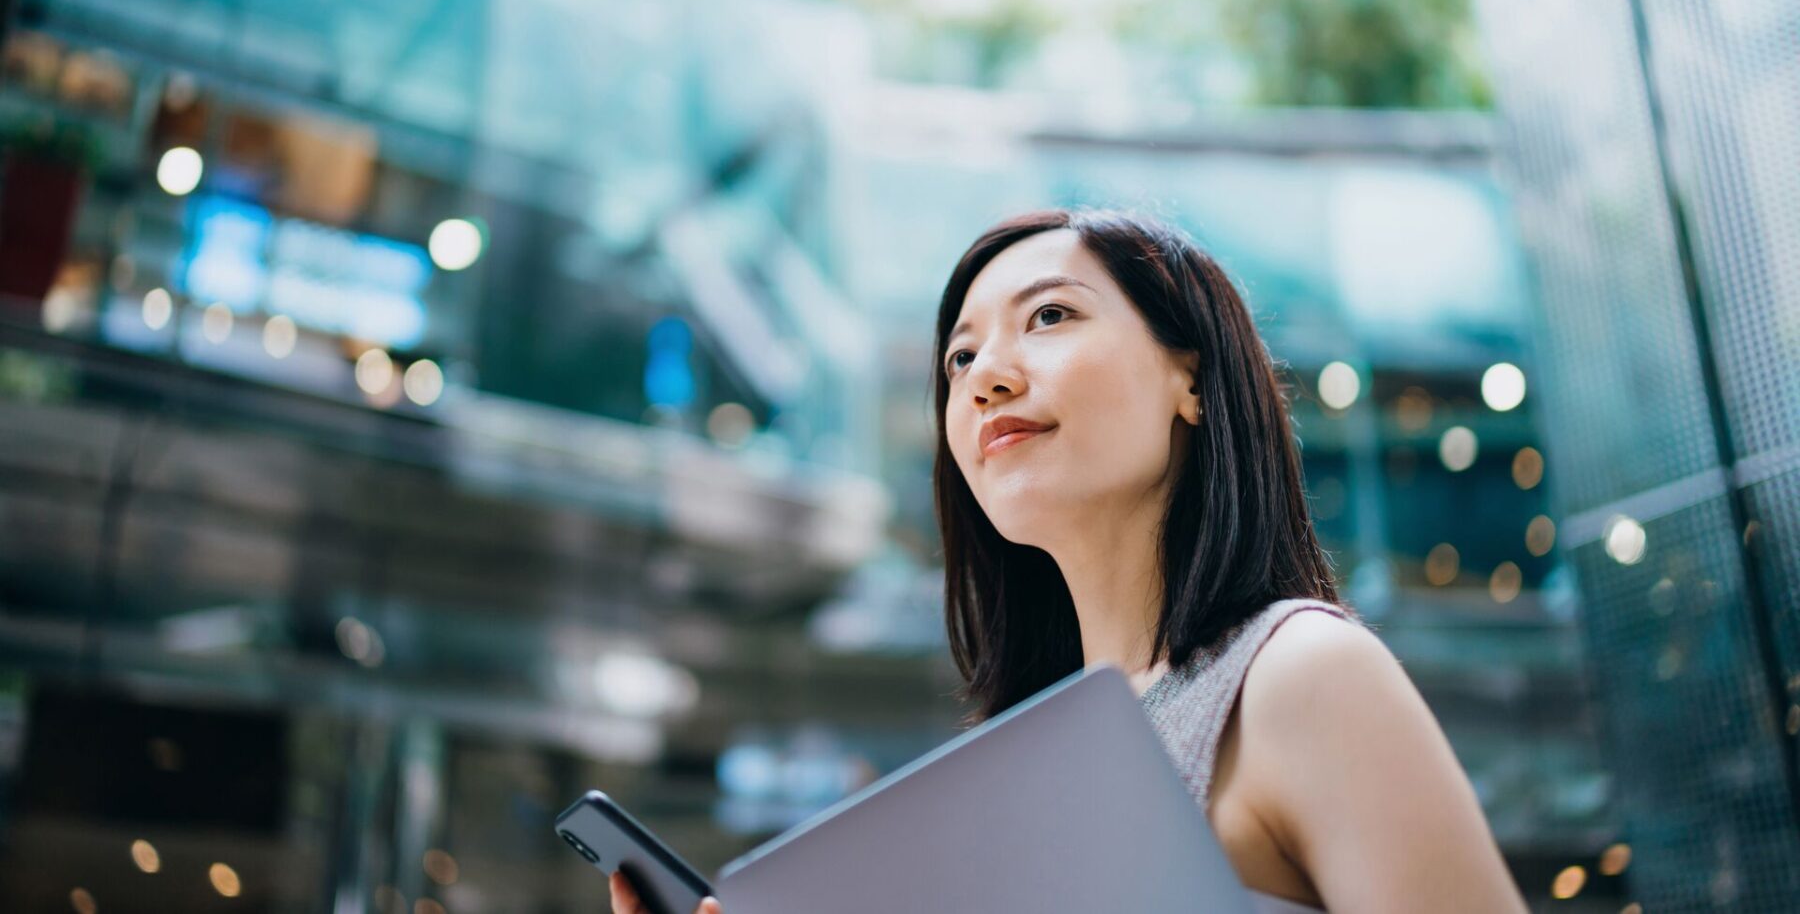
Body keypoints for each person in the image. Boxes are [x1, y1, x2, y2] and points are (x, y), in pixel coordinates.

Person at [612, 209, 1526, 913]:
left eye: (1048, 315)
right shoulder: (1005, 780)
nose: (983, 376)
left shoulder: (1300, 675)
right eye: (959, 357)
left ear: (1194, 380)